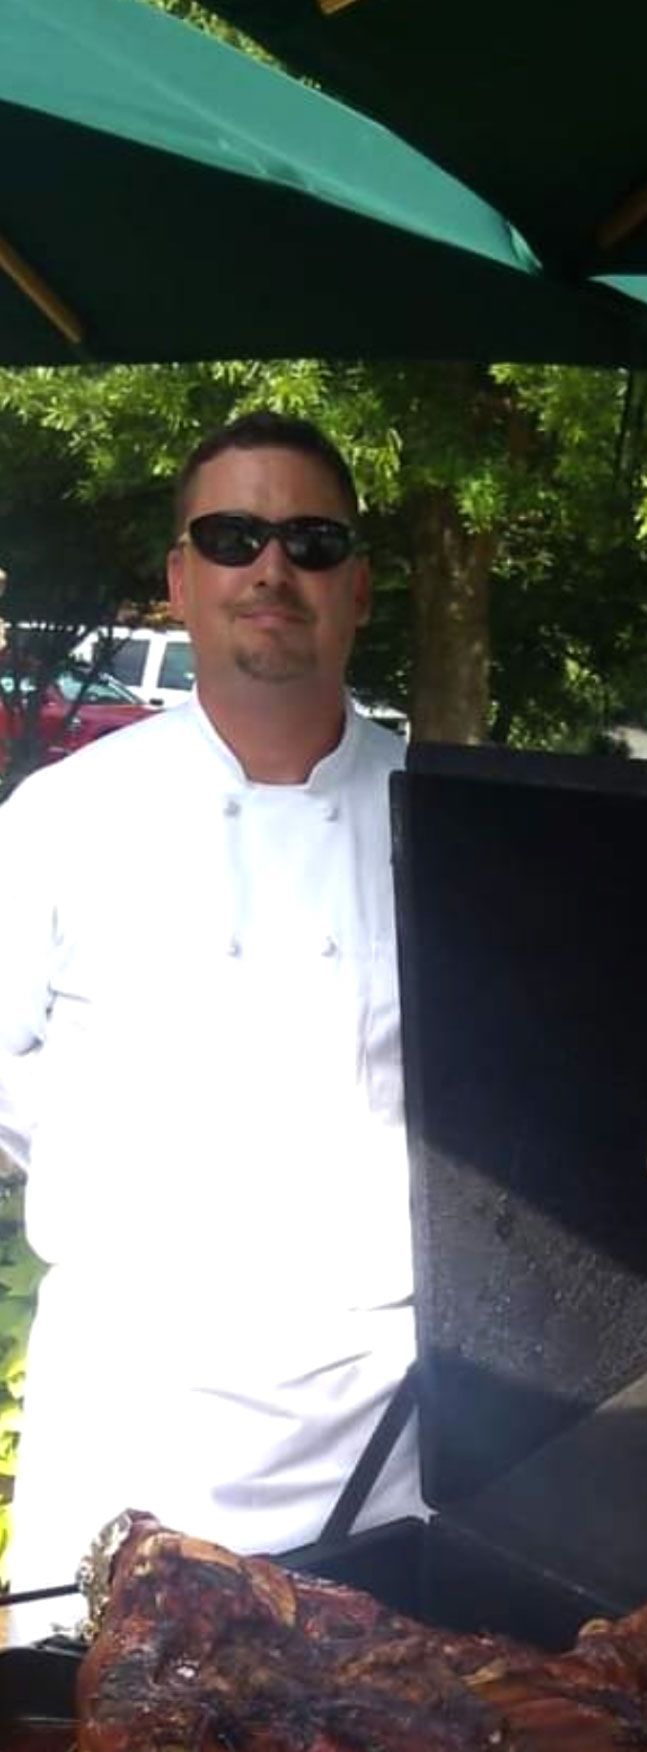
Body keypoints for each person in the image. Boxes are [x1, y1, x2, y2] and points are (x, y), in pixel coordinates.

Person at [0, 410, 423, 1603]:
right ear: (181, 579)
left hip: (375, 1445)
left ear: (360, 588)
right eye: (234, 537)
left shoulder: (449, 822)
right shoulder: (63, 817)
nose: (272, 570)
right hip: (127, 1431)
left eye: (312, 540)